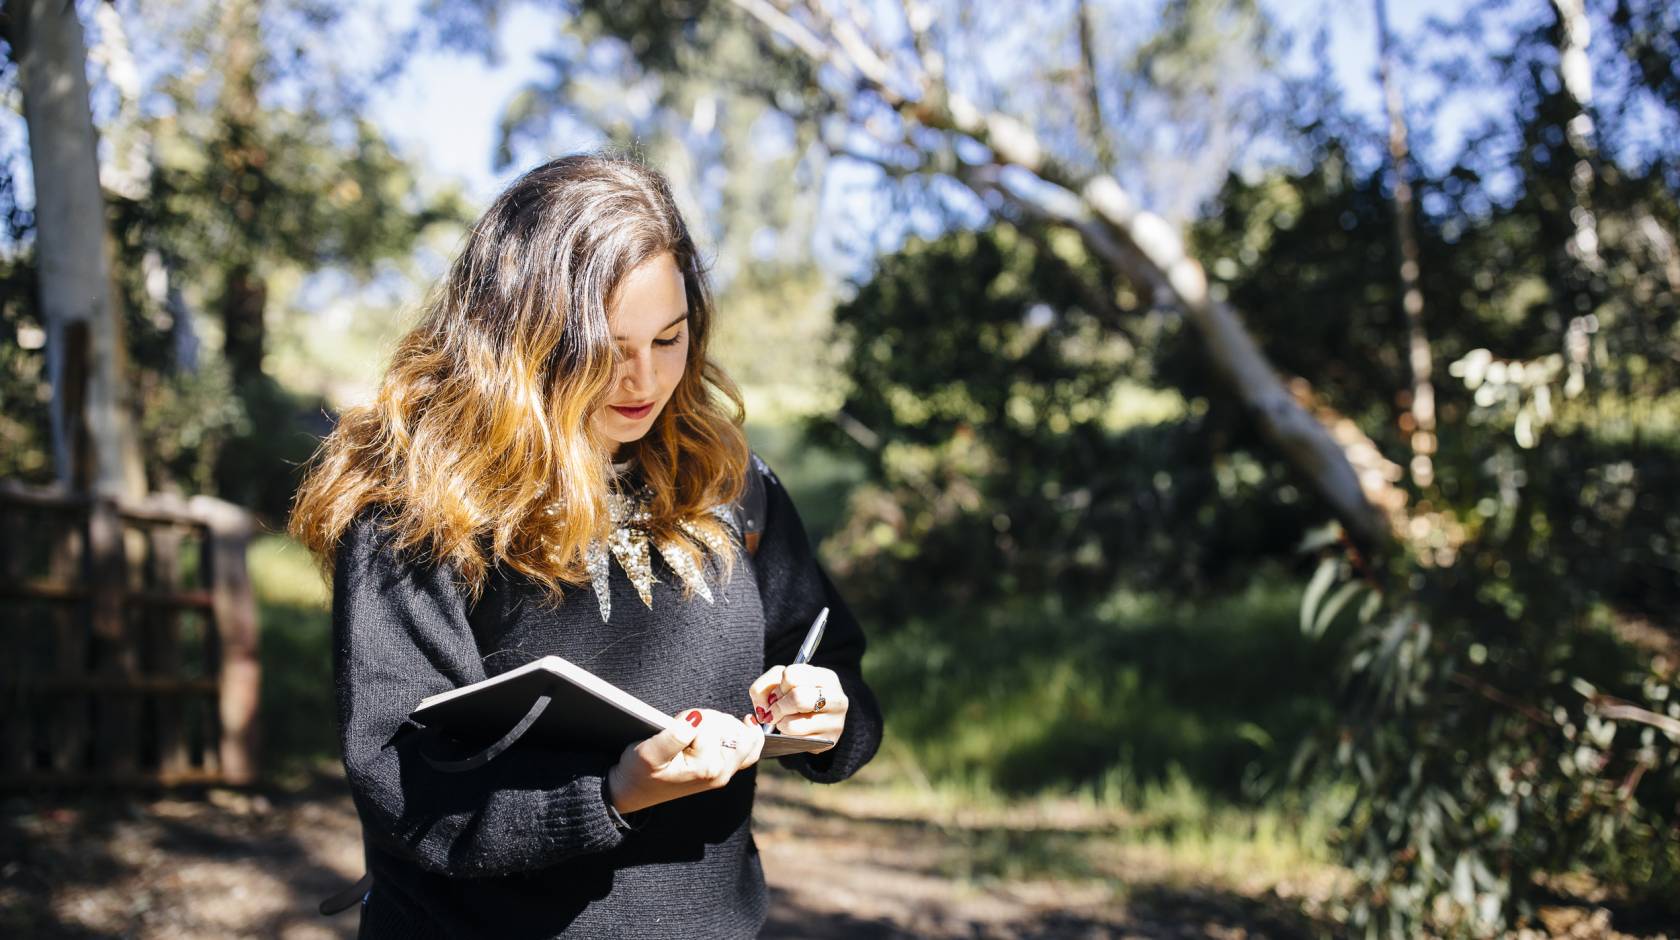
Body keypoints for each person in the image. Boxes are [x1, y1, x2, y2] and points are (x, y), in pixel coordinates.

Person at [287, 152, 883, 938]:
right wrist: (614, 789)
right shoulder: (414, 506)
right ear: (517, 333)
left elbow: (830, 659)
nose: (642, 378)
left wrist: (826, 713)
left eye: (669, 339)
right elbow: (401, 782)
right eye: (605, 345)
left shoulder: (726, 480)